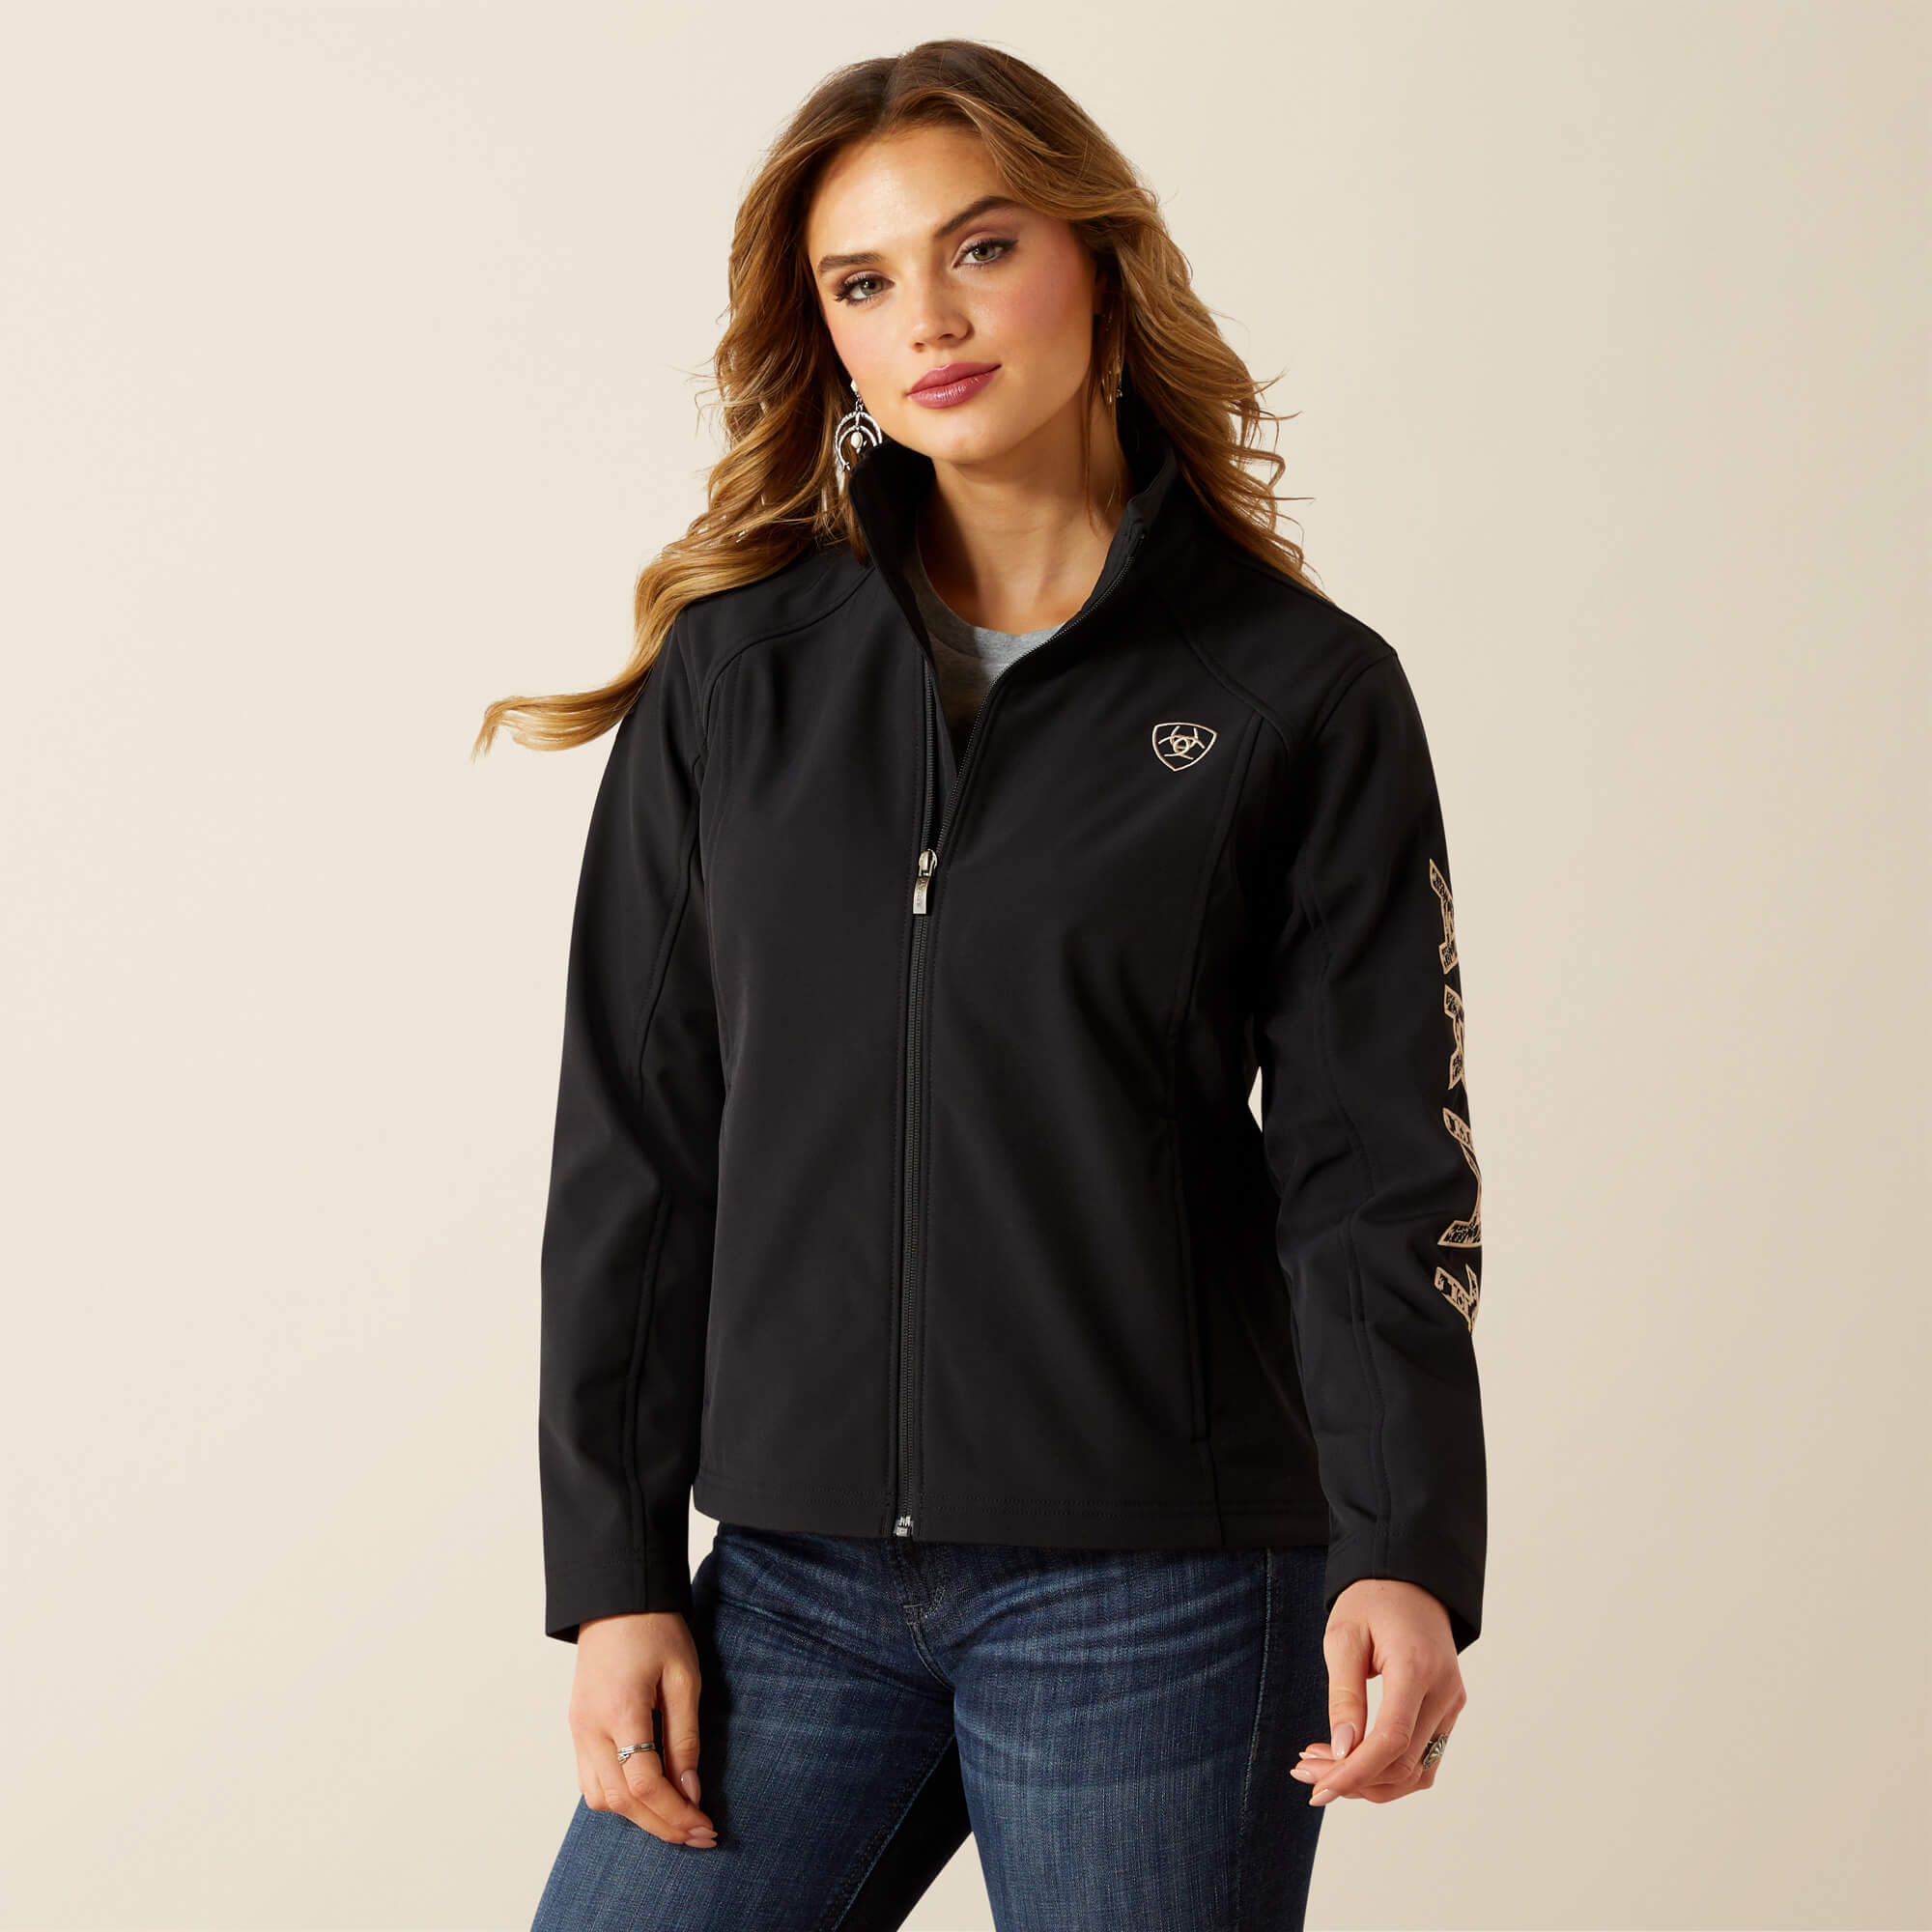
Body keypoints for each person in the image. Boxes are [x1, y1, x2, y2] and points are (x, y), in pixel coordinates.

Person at [480, 38, 1487, 1932]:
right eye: (862, 284)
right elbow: (637, 1142)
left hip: (1165, 1588)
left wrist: (1404, 1547)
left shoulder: (1297, 692)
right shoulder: (735, 680)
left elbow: (1375, 1165)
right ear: (827, 339)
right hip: (794, 1580)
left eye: (981, 248)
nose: (927, 320)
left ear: (1096, 260)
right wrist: (613, 1574)